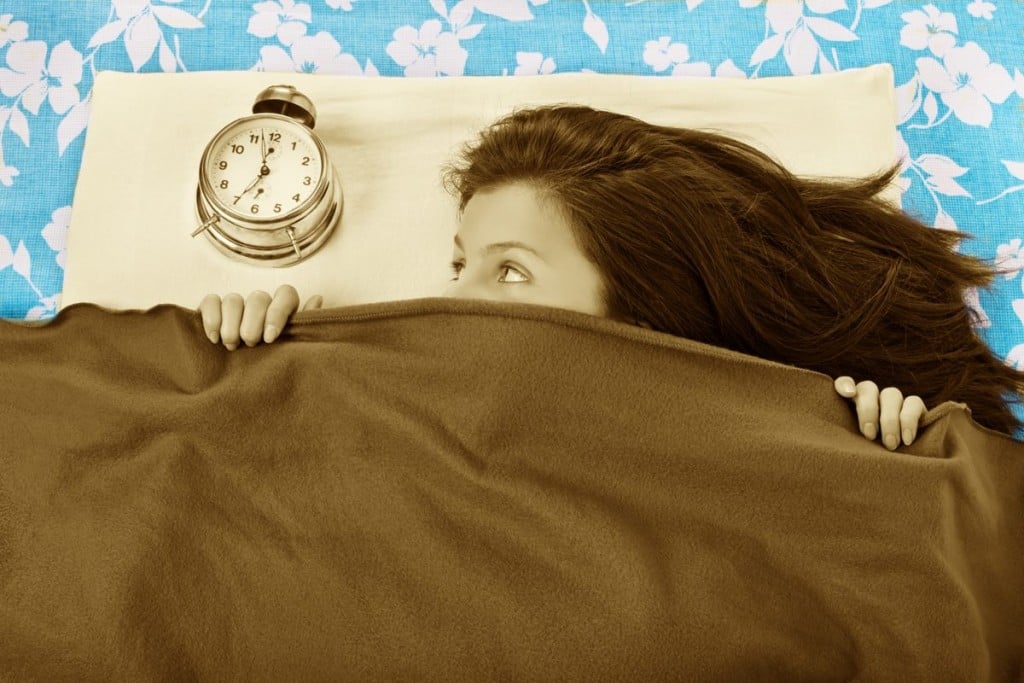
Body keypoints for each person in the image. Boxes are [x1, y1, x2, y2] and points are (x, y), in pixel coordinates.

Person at [199, 105, 1023, 446]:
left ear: (637, 309)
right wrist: (253, 376)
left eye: (510, 271)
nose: (454, 298)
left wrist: (886, 457)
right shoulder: (399, 405)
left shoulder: (747, 448)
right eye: (460, 265)